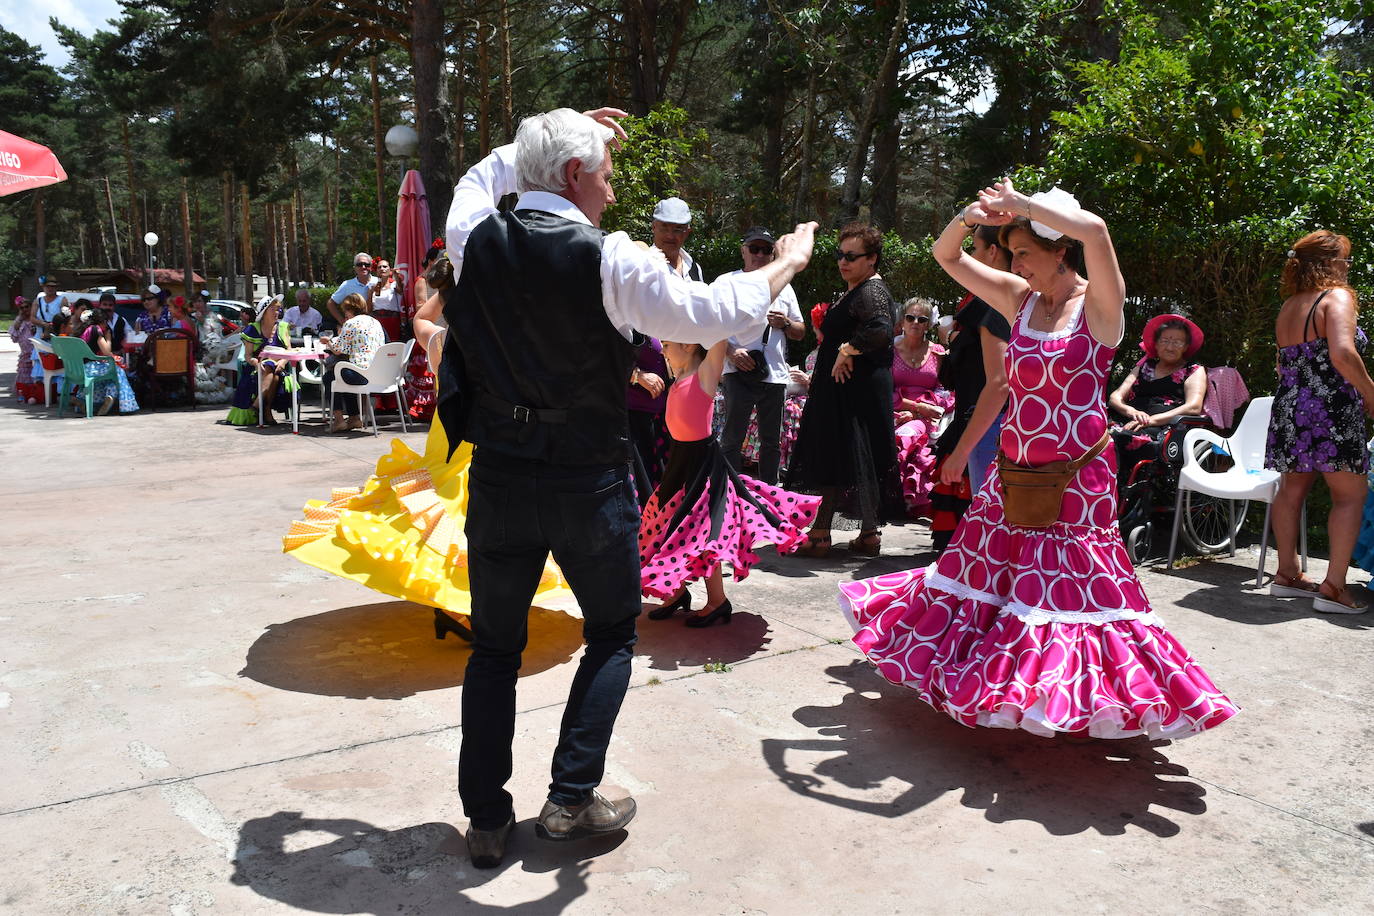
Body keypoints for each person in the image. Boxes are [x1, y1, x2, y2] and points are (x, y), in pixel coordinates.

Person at [441, 106, 816, 868]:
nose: (612, 193)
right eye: (606, 176)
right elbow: (718, 311)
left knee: (494, 649)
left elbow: (478, 179)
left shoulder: (474, 236)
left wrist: (541, 138)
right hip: (586, 478)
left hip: (502, 474)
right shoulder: (610, 259)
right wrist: (788, 263)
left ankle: (485, 819)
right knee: (611, 631)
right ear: (576, 174)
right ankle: (571, 798)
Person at [837, 180, 1237, 739]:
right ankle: (1002, 686)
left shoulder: (1099, 307)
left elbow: (1097, 230)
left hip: (1077, 481)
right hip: (1010, 476)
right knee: (990, 582)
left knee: (1073, 595)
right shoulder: (1019, 300)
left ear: (1060, 250)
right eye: (1013, 253)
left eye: (1025, 251)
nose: (1016, 263)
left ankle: (1069, 698)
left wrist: (1023, 206)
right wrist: (974, 214)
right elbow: (946, 255)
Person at [284, 260, 569, 642]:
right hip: (483, 442)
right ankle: (460, 609)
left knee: (452, 525)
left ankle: (460, 608)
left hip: (446, 441)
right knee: (470, 524)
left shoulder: (440, 340)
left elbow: (421, 316)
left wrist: (447, 289)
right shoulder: (504, 345)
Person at [640, 338, 821, 626]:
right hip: (679, 461)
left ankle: (717, 601)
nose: (663, 350)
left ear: (689, 345)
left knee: (702, 533)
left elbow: (719, 334)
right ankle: (677, 592)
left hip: (701, 464)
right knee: (664, 523)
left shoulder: (705, 373)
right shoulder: (679, 374)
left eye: (668, 344)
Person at [1265, 230, 1374, 613]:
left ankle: (1287, 575)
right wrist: (1371, 393)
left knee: (1291, 490)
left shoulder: (1289, 305)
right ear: (1329, 263)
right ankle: (1334, 589)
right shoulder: (1336, 297)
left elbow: (1283, 364)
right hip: (1331, 407)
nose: (1348, 268)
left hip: (1290, 406)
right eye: (1346, 260)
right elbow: (1343, 353)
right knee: (1350, 495)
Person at [785, 222, 900, 558]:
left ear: (872, 258)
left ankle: (820, 534)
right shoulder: (860, 289)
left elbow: (880, 329)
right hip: (850, 389)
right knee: (856, 458)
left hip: (850, 392)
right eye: (840, 254)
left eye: (852, 256)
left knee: (835, 455)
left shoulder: (871, 291)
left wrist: (847, 349)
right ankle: (868, 535)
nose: (842, 261)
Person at [930, 225, 1013, 550]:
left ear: (992, 252)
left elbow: (999, 382)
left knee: (992, 520)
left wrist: (962, 450)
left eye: (975, 248)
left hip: (991, 422)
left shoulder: (995, 306)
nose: (971, 256)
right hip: (988, 419)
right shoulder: (1003, 303)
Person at [719, 227, 805, 486]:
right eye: (754, 248)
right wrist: (731, 352)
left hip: (774, 376)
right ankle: (729, 492)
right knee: (732, 438)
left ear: (772, 255)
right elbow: (710, 326)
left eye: (766, 250)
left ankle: (769, 493)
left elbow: (801, 331)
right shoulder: (727, 282)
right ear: (743, 250)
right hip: (738, 371)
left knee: (771, 442)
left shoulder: (785, 287)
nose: (759, 255)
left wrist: (786, 323)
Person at [1107, 314, 1206, 485]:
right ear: (1156, 344)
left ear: (1186, 346)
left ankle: (1115, 488)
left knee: (1119, 437)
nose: (1170, 347)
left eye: (1177, 342)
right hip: (1130, 420)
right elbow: (1115, 397)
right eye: (1165, 341)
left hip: (1164, 428)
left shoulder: (1193, 370)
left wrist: (1151, 420)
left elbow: (1193, 407)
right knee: (1095, 432)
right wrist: (1131, 411)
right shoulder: (1143, 367)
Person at [891, 297, 952, 519]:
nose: (915, 322)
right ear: (902, 322)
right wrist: (913, 407)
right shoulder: (890, 350)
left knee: (907, 434)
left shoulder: (937, 352)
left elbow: (945, 390)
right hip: (893, 410)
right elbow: (882, 390)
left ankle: (908, 500)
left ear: (928, 324)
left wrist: (922, 410)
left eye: (922, 319)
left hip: (927, 414)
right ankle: (897, 498)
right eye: (910, 317)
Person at [226, 296, 294, 426]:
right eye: (273, 309)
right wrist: (256, 363)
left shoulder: (283, 327)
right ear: (264, 312)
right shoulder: (253, 329)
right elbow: (248, 356)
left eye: (278, 309)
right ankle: (266, 410)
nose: (277, 312)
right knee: (271, 372)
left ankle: (258, 405)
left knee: (272, 369)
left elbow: (289, 351)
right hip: (256, 367)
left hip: (278, 366)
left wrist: (283, 362)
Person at [323, 292, 385, 433]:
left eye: (345, 311)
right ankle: (354, 418)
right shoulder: (375, 322)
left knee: (330, 377)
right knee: (344, 373)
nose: (345, 314)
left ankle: (339, 420)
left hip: (362, 375)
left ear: (349, 309)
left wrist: (328, 341)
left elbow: (337, 350)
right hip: (378, 373)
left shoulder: (350, 323)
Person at [627, 336, 670, 505]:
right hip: (633, 418)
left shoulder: (655, 326)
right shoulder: (625, 324)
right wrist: (638, 375)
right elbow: (605, 358)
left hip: (657, 417)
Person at [76, 306, 139, 414]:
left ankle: (98, 401)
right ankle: (126, 404)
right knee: (118, 370)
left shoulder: (84, 330)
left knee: (111, 374)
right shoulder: (96, 329)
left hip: (78, 369)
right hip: (89, 369)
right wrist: (108, 338)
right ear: (103, 321)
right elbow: (107, 352)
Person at [649, 197, 704, 280]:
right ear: (654, 227)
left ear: (687, 232)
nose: (670, 236)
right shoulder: (644, 267)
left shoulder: (694, 269)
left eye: (677, 229)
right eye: (664, 228)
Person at [328, 253, 378, 326]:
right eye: (359, 264)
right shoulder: (347, 285)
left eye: (367, 264)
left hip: (376, 325)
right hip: (355, 327)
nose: (363, 267)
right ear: (355, 268)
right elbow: (330, 303)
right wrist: (342, 321)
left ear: (371, 267)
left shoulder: (378, 282)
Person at [9, 297, 41, 404]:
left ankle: (36, 394)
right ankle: (24, 394)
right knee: (24, 376)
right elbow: (14, 338)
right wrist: (18, 322)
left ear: (31, 307)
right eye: (21, 308)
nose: (24, 309)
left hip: (36, 353)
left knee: (36, 376)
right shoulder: (19, 321)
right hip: (25, 354)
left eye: (26, 307)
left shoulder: (35, 319)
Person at [366, 257, 404, 341]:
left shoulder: (394, 285)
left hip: (392, 321)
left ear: (390, 270)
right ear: (376, 271)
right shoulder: (372, 287)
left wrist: (396, 276)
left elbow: (401, 290)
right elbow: (368, 309)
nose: (382, 269)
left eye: (385, 266)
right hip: (377, 321)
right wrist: (370, 293)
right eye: (379, 267)